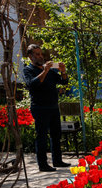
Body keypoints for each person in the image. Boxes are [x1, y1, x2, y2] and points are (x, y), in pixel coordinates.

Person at [24, 44, 70, 172]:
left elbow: (63, 81)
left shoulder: (49, 70)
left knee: (56, 135)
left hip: (53, 106)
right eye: (37, 54)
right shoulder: (28, 70)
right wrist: (44, 71)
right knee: (42, 136)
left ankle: (57, 160)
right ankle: (43, 164)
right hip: (40, 108)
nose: (40, 56)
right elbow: (32, 84)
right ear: (30, 56)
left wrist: (63, 71)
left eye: (41, 54)